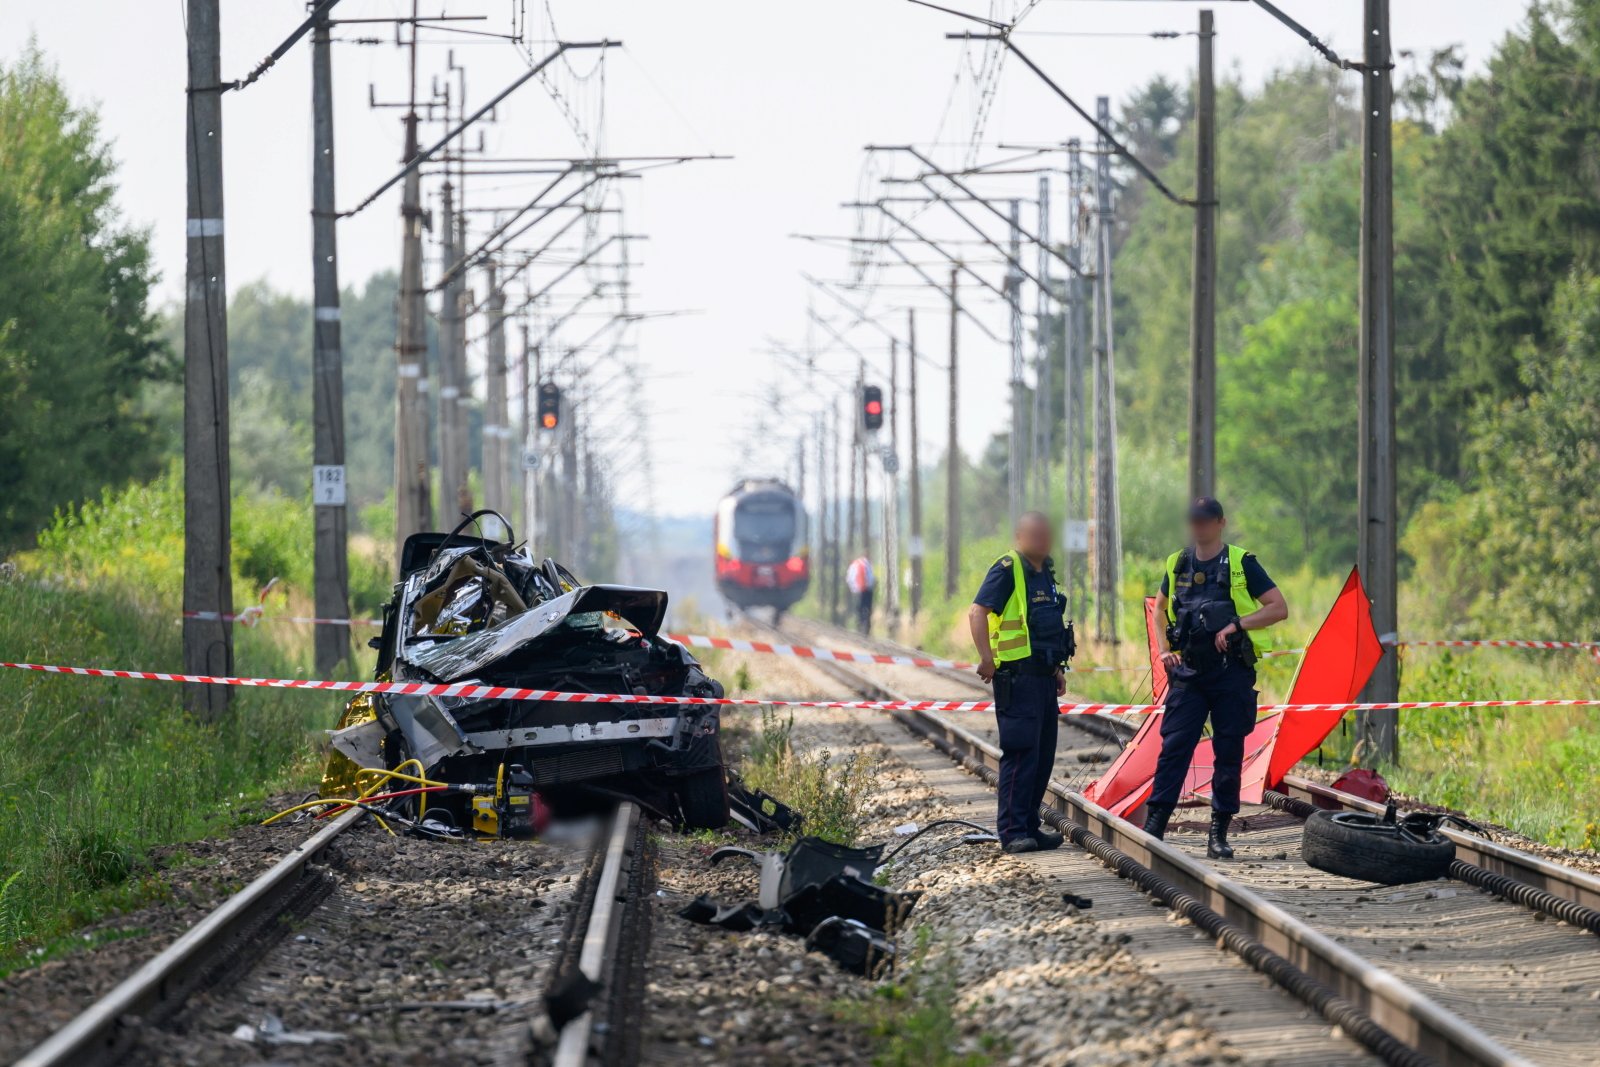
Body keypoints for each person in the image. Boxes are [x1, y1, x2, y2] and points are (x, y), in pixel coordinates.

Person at [1144, 497, 1288, 859]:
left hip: (1230, 673)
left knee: (1228, 753)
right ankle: (1154, 827)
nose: (1199, 526)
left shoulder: (1241, 562)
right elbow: (1159, 608)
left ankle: (1218, 833)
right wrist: (1164, 650)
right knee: (1174, 748)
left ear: (1220, 522)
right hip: (1189, 674)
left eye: (1206, 520)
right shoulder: (1178, 562)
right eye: (1194, 520)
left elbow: (1278, 607)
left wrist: (1237, 624)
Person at [967, 511, 1076, 854]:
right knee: (1021, 754)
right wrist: (986, 657)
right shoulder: (1007, 568)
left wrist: (1056, 670)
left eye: (1046, 534)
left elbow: (1042, 628)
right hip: (1017, 679)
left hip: (1043, 678)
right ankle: (1013, 832)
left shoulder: (1045, 573)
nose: (1042, 540)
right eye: (1035, 534)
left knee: (1042, 758)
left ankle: (1029, 826)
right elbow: (977, 612)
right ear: (1020, 536)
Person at [845, 555, 875, 634]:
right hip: (865, 590)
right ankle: (864, 625)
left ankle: (862, 625)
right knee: (864, 608)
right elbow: (871, 578)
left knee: (861, 608)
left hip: (861, 590)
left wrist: (853, 588)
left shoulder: (855, 565)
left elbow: (849, 579)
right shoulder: (866, 565)